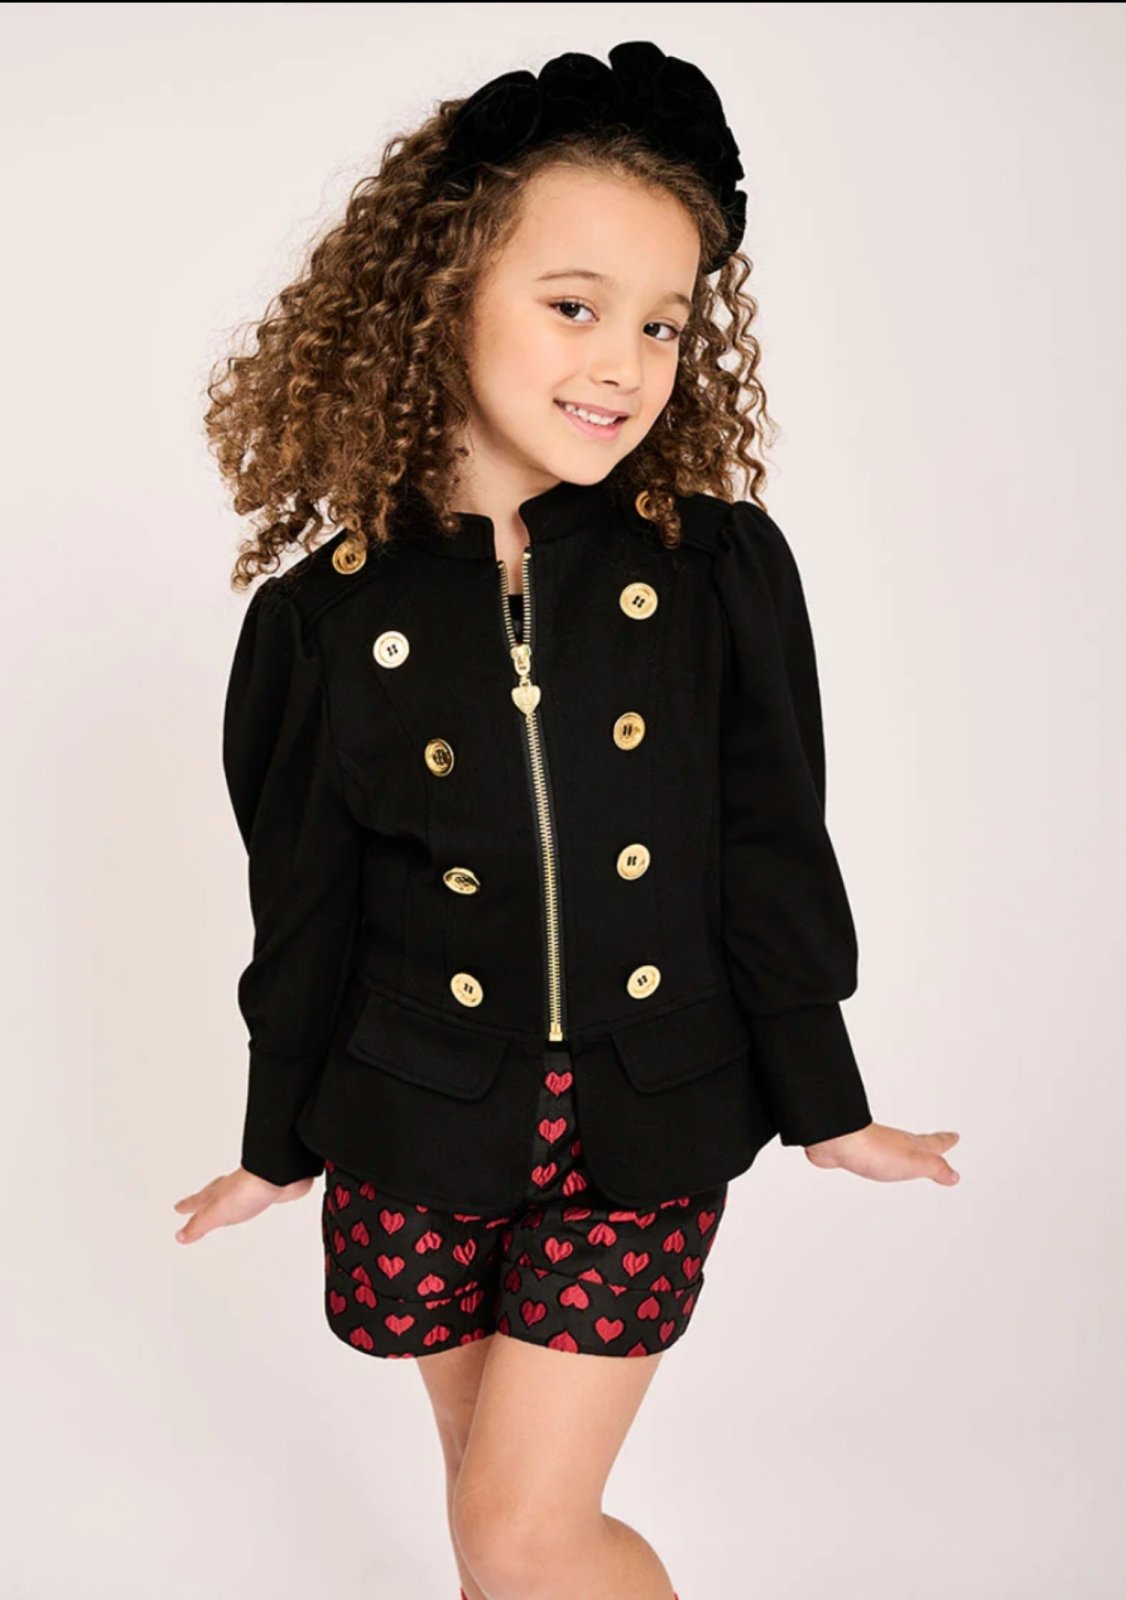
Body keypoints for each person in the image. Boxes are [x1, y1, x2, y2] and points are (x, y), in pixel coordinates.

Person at [173, 40, 961, 1600]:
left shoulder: (716, 569)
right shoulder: (322, 619)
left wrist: (822, 1096)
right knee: (489, 1519)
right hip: (415, 1118)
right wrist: (274, 1140)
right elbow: (306, 900)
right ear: (441, 299)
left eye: (662, 321)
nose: (625, 361)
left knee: (522, 1531)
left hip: (648, 1109)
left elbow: (768, 842)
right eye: (574, 305)